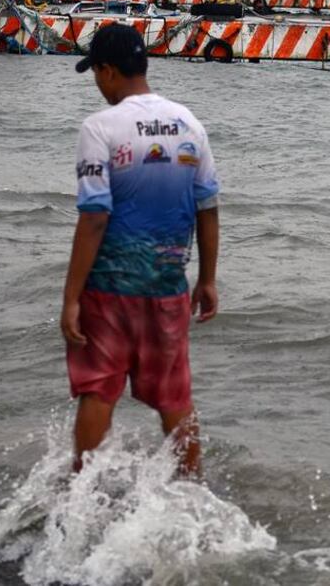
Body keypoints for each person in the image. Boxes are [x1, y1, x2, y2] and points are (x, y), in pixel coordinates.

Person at [61, 23, 220, 477]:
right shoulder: (189, 123)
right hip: (168, 286)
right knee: (174, 396)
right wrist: (206, 279)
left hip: (109, 288)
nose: (97, 83)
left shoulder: (99, 127)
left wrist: (71, 298)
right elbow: (208, 208)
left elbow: (94, 217)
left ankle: (80, 493)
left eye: (96, 72)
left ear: (108, 71)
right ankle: (192, 488)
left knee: (98, 391)